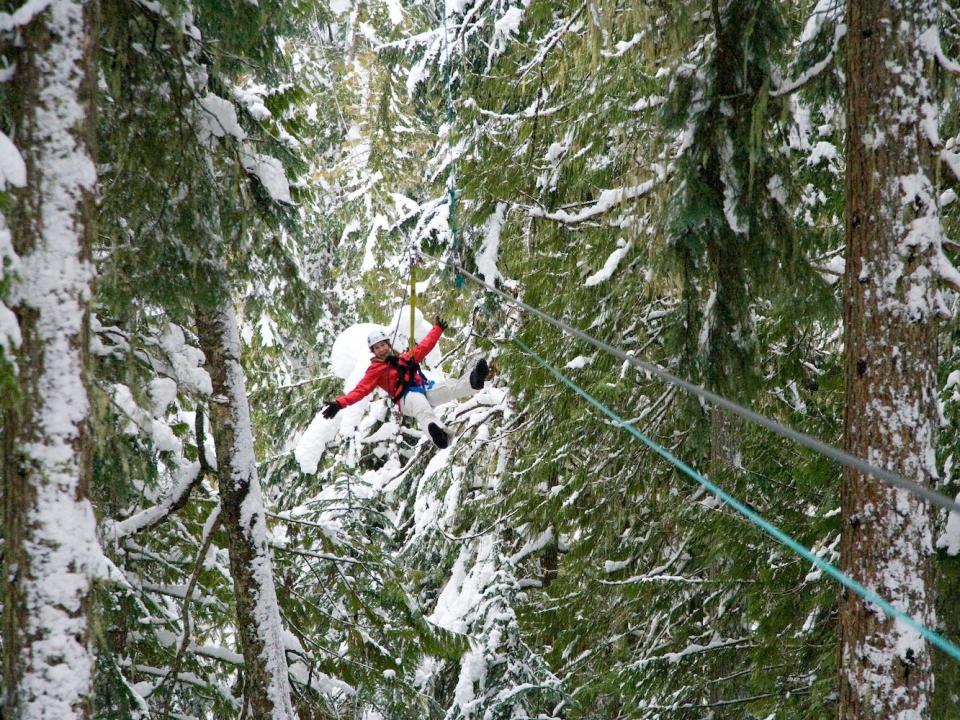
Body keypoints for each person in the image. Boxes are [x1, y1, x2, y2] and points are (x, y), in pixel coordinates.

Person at [321, 317, 489, 448]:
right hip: (406, 399)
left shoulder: (403, 358)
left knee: (447, 388)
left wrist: (437, 329)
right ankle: (439, 435)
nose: (381, 349)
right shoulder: (375, 370)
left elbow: (424, 347)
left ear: (388, 344)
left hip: (423, 390)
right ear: (373, 351)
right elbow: (360, 390)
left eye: (383, 345)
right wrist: (340, 403)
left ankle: (473, 380)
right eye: (377, 348)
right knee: (420, 406)